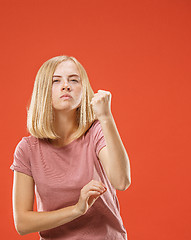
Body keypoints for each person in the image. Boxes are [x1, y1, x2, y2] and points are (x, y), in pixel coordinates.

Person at [10, 55, 131, 239]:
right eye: (56, 81)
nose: (66, 85)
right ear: (43, 90)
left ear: (83, 90)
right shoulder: (27, 149)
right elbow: (23, 223)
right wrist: (76, 210)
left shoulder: (96, 132)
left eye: (74, 80)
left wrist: (106, 117)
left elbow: (121, 181)